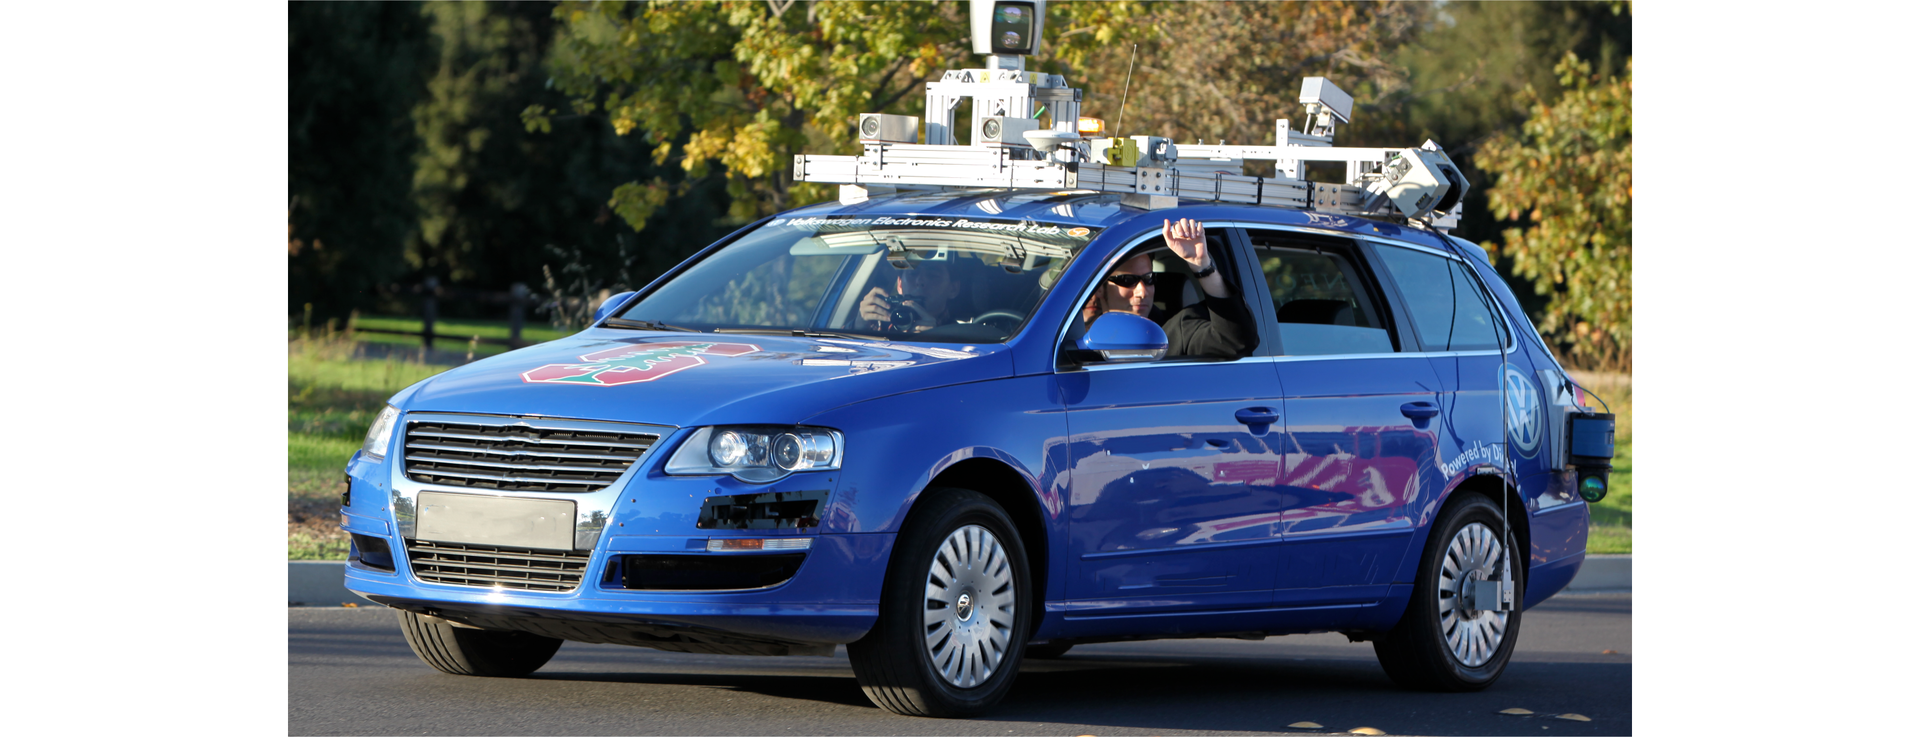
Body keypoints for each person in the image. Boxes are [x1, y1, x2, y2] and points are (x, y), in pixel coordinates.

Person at [1081, 217, 1256, 358]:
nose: (1142, 291)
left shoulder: (1174, 332)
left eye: (1148, 279)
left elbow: (1235, 341)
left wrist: (1202, 266)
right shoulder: (1070, 338)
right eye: (1127, 280)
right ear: (1100, 288)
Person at [857, 257, 966, 333]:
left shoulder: (961, 337)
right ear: (899, 285)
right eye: (912, 273)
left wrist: (937, 339)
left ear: (953, 289)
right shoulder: (879, 320)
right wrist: (857, 326)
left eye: (932, 275)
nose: (920, 281)